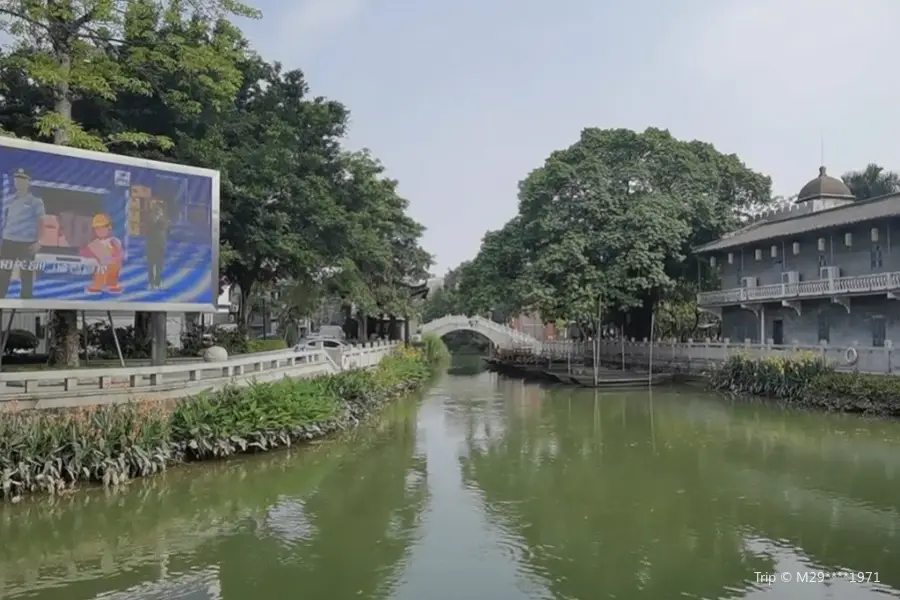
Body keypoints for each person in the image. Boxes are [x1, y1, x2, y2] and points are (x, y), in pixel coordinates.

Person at [0, 168, 45, 299]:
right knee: (3, 274)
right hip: (8, 242)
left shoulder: (35, 201)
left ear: (28, 182)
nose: (19, 182)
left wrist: (39, 241)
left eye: (23, 179)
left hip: (26, 244)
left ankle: (26, 304)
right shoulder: (9, 199)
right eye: (17, 178)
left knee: (26, 276)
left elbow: (42, 222)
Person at [79, 213, 123, 294]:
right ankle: (98, 285)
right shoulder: (94, 243)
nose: (100, 231)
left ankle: (112, 284)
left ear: (109, 228)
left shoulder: (114, 241)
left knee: (110, 270)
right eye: (97, 229)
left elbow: (118, 254)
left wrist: (109, 258)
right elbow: (84, 252)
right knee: (100, 271)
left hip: (112, 265)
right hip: (100, 266)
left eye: (102, 228)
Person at [145, 199, 167, 289]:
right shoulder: (150, 217)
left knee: (159, 265)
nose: (158, 210)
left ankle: (157, 281)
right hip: (151, 244)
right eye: (156, 208)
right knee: (151, 264)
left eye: (159, 208)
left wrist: (160, 217)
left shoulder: (163, 219)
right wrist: (156, 218)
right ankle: (151, 282)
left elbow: (165, 227)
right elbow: (149, 227)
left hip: (160, 244)